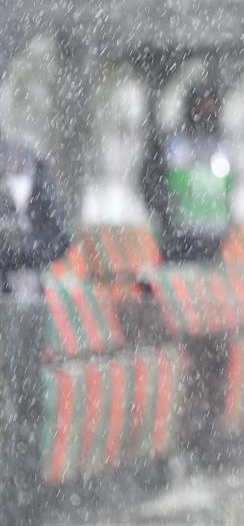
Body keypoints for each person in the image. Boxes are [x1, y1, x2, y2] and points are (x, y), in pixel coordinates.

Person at [0, 130, 70, 525]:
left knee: (26, 407)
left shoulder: (28, 162)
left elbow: (59, 235)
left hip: (25, 310)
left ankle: (24, 497)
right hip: (20, 307)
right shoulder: (28, 161)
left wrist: (22, 251)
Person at [140, 83, 233, 262]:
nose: (206, 111)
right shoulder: (174, 143)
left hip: (214, 239)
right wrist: (166, 218)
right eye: (201, 105)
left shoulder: (222, 147)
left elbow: (229, 190)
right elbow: (150, 182)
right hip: (179, 240)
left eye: (210, 105)